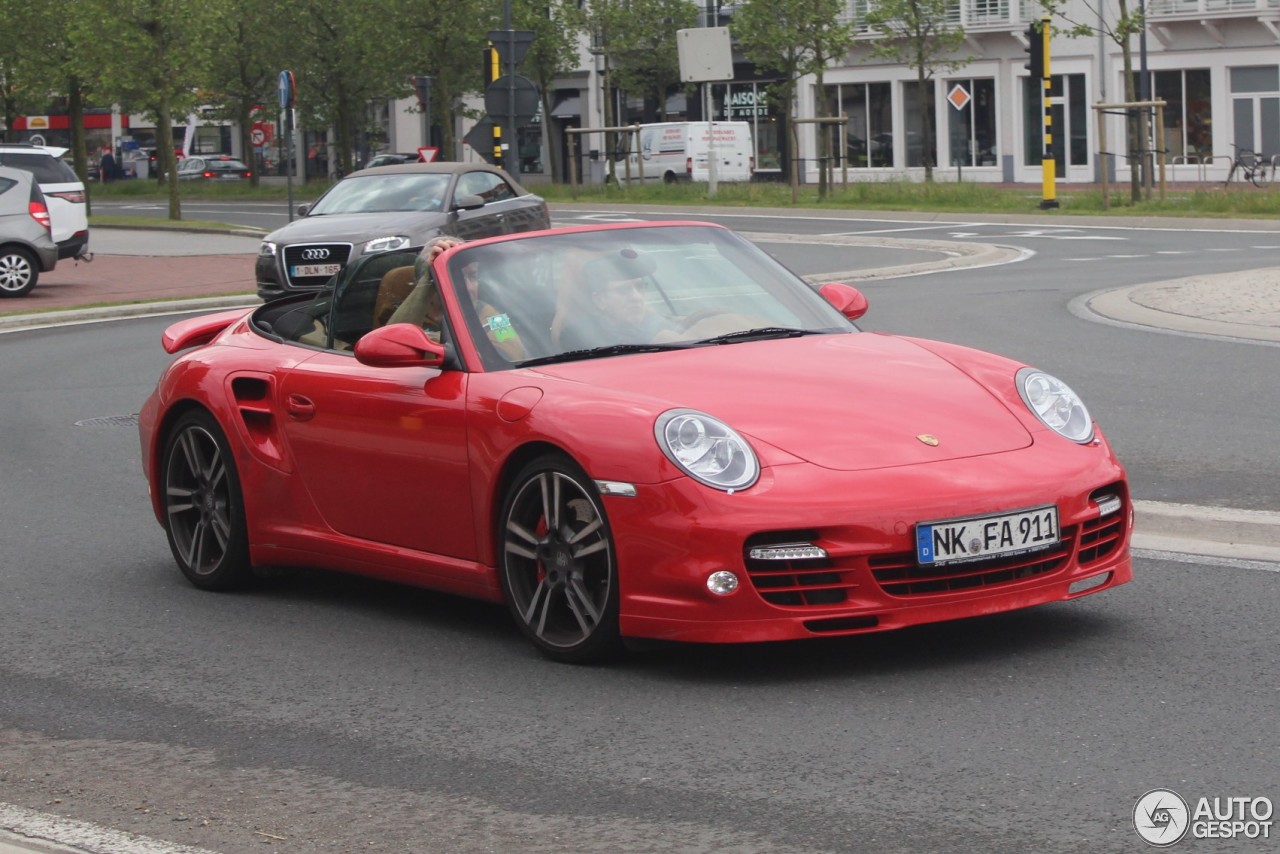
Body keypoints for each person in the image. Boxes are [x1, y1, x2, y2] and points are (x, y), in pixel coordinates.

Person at [385, 236, 526, 360]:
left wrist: (437, 343)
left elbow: (512, 353)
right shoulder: (405, 314)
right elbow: (389, 347)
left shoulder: (492, 316)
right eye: (455, 278)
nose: (469, 288)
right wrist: (430, 276)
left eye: (472, 276)